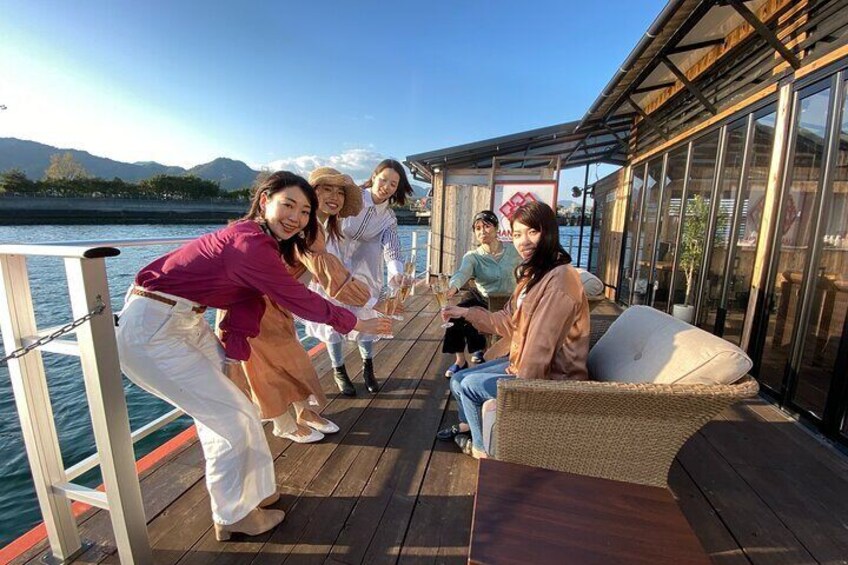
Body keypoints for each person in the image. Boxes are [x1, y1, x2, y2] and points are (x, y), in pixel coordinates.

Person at [115, 171, 390, 541]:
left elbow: (246, 302)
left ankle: (255, 494)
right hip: (153, 329)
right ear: (264, 202)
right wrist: (354, 321)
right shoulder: (249, 242)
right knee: (233, 418)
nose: (296, 217)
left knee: (234, 411)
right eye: (288, 205)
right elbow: (296, 298)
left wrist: (232, 354)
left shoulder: (264, 243)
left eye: (305, 211)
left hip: (185, 320)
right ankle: (232, 516)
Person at [231, 167, 385, 444]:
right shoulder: (306, 227)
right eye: (327, 189)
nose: (335, 196)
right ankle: (282, 422)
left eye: (340, 192)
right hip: (253, 301)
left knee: (294, 359)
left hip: (279, 303)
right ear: (311, 192)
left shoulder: (318, 227)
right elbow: (329, 274)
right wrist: (373, 302)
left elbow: (324, 273)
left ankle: (303, 412)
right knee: (265, 365)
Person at [435, 201, 590, 459]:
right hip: (522, 361)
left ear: (549, 232)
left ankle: (483, 450)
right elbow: (508, 320)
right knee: (459, 379)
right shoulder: (535, 274)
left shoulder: (561, 279)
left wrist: (520, 393)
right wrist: (466, 313)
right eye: (517, 234)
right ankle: (473, 431)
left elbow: (541, 348)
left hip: (554, 378)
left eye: (532, 232)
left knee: (469, 385)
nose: (523, 241)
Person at [306, 159, 414, 394]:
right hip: (331, 263)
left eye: (393, 184)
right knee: (332, 320)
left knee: (368, 321)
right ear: (374, 176)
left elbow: (392, 246)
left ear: (397, 189)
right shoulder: (349, 198)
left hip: (365, 271)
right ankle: (339, 369)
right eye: (383, 179)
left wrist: (396, 272)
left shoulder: (388, 218)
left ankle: (368, 366)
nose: (386, 186)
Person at [442, 210, 520, 377]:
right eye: (477, 228)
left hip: (510, 300)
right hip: (483, 297)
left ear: (496, 228)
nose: (482, 231)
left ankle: (483, 350)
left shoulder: (514, 251)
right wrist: (453, 287)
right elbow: (462, 273)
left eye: (486, 226)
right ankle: (460, 361)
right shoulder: (473, 256)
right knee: (455, 314)